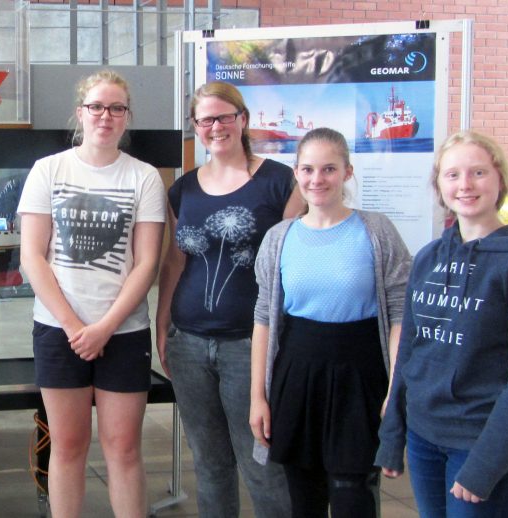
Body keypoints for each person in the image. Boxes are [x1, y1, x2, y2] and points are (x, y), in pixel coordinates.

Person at [17, 69, 165, 518]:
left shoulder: (144, 178)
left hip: (123, 332)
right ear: (80, 112)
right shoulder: (49, 170)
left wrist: (104, 328)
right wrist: (75, 326)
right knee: (67, 447)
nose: (106, 116)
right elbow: (33, 257)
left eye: (116, 108)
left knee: (123, 450)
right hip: (59, 331)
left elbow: (146, 264)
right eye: (97, 106)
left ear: (127, 117)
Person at [155, 81, 303, 517]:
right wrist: (163, 326)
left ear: (243, 120)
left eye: (223, 117)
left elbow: (295, 264)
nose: (215, 126)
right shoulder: (183, 189)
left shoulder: (280, 182)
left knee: (261, 462)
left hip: (249, 345)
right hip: (190, 343)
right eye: (205, 120)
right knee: (210, 463)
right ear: (195, 127)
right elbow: (174, 263)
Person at [248, 128, 411, 517]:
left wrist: (395, 389)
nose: (317, 179)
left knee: (353, 492)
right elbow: (264, 320)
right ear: (296, 172)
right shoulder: (279, 238)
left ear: (347, 173)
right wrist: (258, 396)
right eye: (307, 169)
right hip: (297, 375)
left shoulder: (376, 231)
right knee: (303, 497)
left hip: (360, 376)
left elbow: (400, 313)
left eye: (328, 169)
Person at [376, 131, 508, 517]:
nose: (465, 185)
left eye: (478, 172)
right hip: (425, 437)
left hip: (481, 443)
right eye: (452, 175)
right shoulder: (429, 258)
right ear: (439, 185)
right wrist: (393, 434)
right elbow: (410, 349)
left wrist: (487, 464)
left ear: (499, 179)